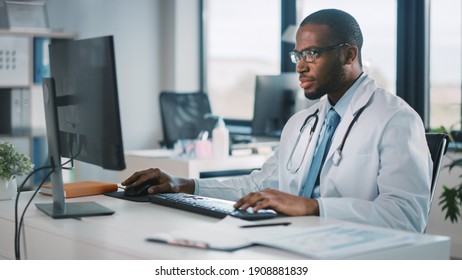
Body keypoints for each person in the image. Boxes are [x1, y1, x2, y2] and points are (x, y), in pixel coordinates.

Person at [123, 9, 432, 233]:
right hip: (294, 240)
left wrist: (313, 207)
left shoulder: (395, 119)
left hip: (351, 252)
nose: (300, 67)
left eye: (312, 54)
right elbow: (259, 185)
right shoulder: (302, 122)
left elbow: (407, 216)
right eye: (297, 56)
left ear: (349, 55)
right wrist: (186, 184)